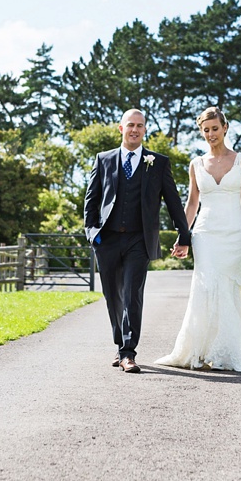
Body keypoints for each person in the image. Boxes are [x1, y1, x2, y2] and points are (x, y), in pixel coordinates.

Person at [156, 107, 241, 372]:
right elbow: (192, 202)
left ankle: (227, 351)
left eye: (214, 128)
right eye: (205, 130)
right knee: (207, 288)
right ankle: (203, 349)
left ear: (225, 128)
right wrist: (183, 235)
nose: (210, 134)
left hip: (235, 234)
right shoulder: (196, 164)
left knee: (230, 289)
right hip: (205, 234)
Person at [84, 108, 192, 374]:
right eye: (130, 125)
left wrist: (183, 234)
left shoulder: (158, 162)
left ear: (145, 130)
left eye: (140, 126)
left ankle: (128, 353)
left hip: (139, 240)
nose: (135, 129)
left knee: (133, 294)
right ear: (121, 129)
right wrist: (91, 232)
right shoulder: (104, 159)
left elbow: (174, 202)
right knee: (113, 296)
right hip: (107, 239)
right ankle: (120, 345)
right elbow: (92, 199)